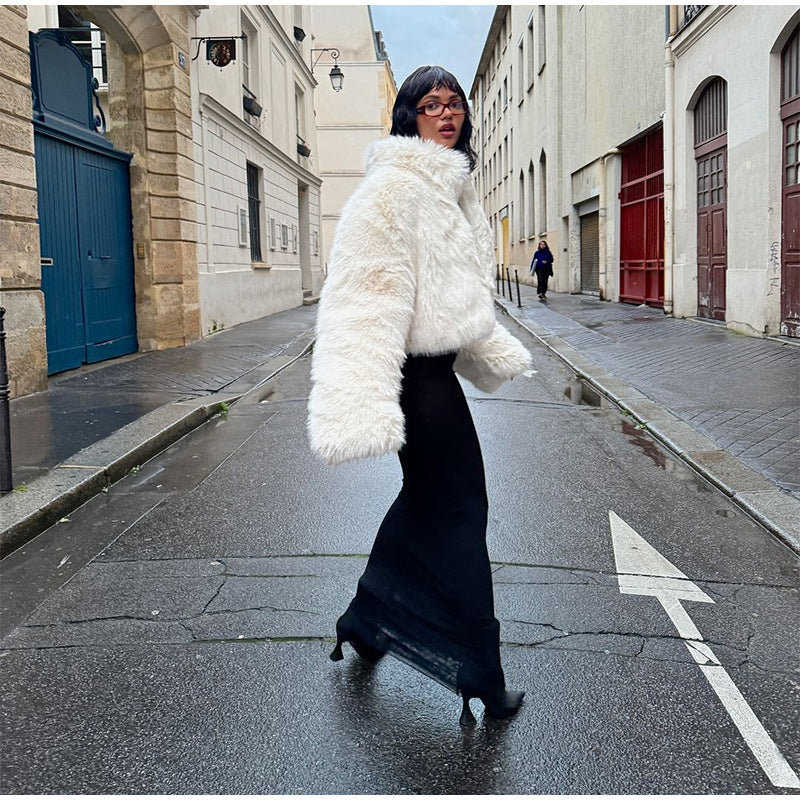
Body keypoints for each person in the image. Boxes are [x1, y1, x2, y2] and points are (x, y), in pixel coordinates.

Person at [307, 66, 532, 725]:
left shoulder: (448, 187)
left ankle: (369, 618)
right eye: (430, 105)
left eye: (453, 103)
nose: (446, 114)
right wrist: (358, 401)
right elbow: (361, 299)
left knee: (431, 500)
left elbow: (445, 295)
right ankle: (478, 672)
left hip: (432, 370)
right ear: (408, 117)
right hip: (413, 379)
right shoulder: (394, 189)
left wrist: (488, 347)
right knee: (463, 508)